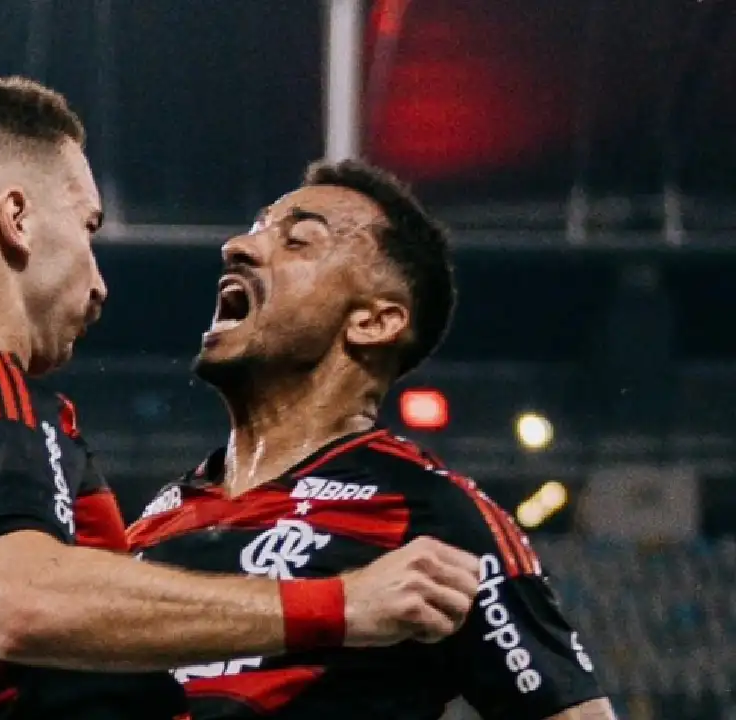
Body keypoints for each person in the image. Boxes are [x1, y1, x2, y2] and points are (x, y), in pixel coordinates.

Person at [0, 74, 483, 720]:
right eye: (88, 227)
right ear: (17, 218)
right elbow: (23, 603)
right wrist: (345, 605)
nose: (98, 282)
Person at [126, 160, 615, 720]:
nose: (237, 246)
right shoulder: (154, 519)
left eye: (298, 241)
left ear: (374, 322)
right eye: (256, 229)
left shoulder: (433, 514)